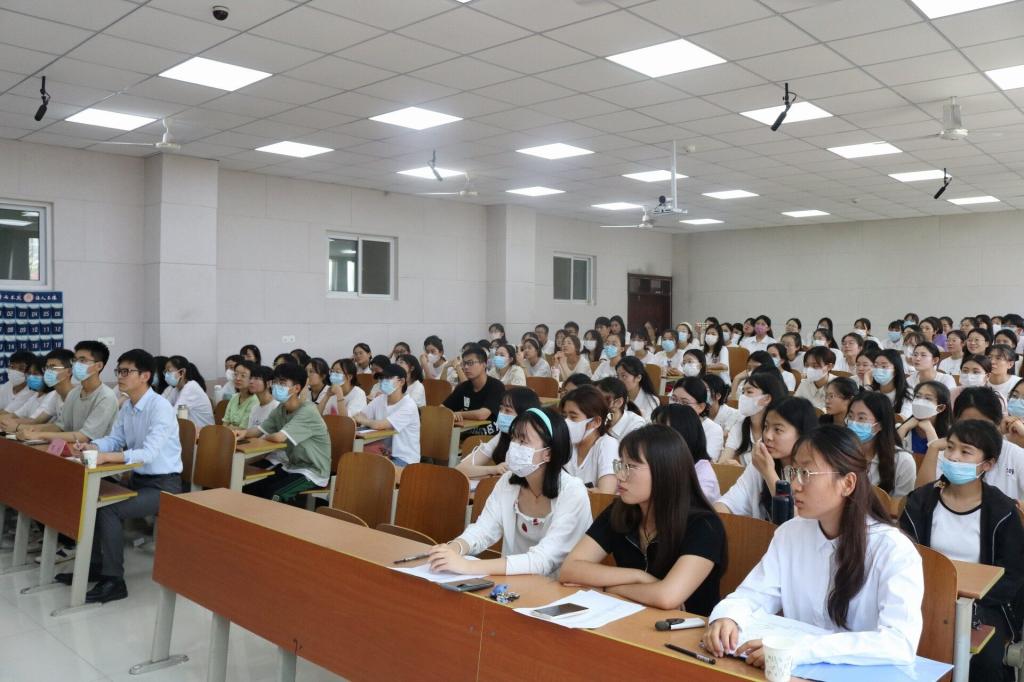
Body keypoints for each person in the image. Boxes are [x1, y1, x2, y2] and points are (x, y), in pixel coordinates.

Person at [704, 424, 924, 668]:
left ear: (847, 483)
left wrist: (805, 649)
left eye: (806, 474)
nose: (795, 485)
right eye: (794, 472)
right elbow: (752, 595)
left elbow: (899, 642)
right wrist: (727, 618)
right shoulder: (790, 534)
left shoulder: (893, 550)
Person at [901, 419, 1024, 682]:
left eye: (966, 451)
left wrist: (967, 602)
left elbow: (1012, 576)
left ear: (987, 464)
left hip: (985, 604)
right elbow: (902, 556)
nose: (953, 457)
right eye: (950, 448)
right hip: (923, 597)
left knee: (985, 660)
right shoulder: (921, 501)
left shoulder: (1002, 511)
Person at [560, 425, 726, 614]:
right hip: (628, 618)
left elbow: (667, 597)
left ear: (664, 470)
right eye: (620, 465)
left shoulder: (705, 526)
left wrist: (608, 588)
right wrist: (639, 576)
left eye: (630, 467)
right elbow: (570, 569)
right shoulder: (621, 511)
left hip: (686, 627)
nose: (620, 476)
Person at [61, 349, 183, 604]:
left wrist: (107, 457)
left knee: (109, 509)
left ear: (145, 376)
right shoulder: (128, 406)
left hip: (164, 486)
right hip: (137, 481)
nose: (120, 376)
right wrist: (93, 446)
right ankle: (96, 566)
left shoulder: (160, 407)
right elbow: (115, 439)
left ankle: (114, 580)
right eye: (119, 371)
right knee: (92, 498)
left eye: (127, 371)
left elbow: (148, 453)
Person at [430, 407, 591, 577]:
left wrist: (467, 566)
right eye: (513, 438)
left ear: (548, 453)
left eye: (523, 441)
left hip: (557, 586)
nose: (513, 446)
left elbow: (543, 560)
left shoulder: (573, 492)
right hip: (513, 583)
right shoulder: (508, 481)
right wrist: (455, 547)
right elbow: (484, 529)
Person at [231, 362, 331, 503]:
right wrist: (243, 433)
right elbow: (259, 430)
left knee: (275, 494)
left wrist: (265, 437)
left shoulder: (308, 411)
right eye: (276, 381)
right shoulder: (280, 409)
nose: (276, 386)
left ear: (296, 388)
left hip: (313, 472)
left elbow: (278, 438)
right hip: (292, 466)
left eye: (282, 383)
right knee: (251, 488)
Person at [713, 397, 818, 519]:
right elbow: (729, 502)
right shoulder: (760, 464)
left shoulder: (814, 473)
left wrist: (769, 474)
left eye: (778, 429)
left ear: (802, 434)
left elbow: (799, 522)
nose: (767, 436)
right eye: (766, 427)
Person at [916, 386, 1024, 501]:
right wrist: (933, 448)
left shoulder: (1016, 456)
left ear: (997, 424)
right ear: (955, 422)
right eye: (966, 424)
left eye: (982, 424)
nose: (973, 431)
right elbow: (920, 499)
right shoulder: (946, 453)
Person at [17, 341, 117, 444]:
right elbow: (60, 426)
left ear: (99, 366)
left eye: (82, 360)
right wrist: (32, 430)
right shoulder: (74, 393)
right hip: (74, 448)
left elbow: (84, 436)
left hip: (96, 451)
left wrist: (40, 435)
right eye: (75, 360)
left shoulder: (106, 396)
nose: (76, 364)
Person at [457, 387, 540, 483]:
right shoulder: (502, 435)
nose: (501, 414)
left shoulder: (535, 443)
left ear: (524, 415)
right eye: (500, 409)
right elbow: (460, 469)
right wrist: (494, 469)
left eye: (508, 411)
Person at [846, 391, 916, 497]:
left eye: (861, 418)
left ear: (879, 425)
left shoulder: (902, 461)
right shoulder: (841, 452)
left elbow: (900, 504)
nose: (853, 423)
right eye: (850, 416)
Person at [354, 364, 421, 468]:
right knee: (356, 461)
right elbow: (360, 415)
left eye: (388, 378)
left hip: (403, 458)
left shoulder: (409, 405)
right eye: (381, 378)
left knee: (367, 467)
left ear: (401, 382)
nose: (383, 381)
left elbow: (379, 425)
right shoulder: (381, 399)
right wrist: (362, 419)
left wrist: (364, 420)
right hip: (382, 451)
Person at [653, 403, 720, 501]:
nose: (651, 436)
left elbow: (683, 506)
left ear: (683, 434)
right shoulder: (663, 460)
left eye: (660, 431)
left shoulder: (703, 476)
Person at [720, 371, 788, 466]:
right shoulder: (740, 426)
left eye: (749, 392)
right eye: (743, 392)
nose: (743, 397)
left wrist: (742, 470)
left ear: (766, 398)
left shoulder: (780, 431)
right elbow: (722, 463)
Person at [560, 386, 618, 493]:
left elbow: (605, 494)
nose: (566, 422)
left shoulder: (608, 444)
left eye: (573, 417)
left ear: (596, 422)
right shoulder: (565, 444)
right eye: (564, 416)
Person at [442, 345, 505, 438]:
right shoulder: (463, 387)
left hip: (489, 437)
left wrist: (458, 414)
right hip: (466, 434)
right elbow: (442, 408)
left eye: (470, 363)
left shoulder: (496, 386)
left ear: (484, 364)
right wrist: (449, 413)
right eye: (464, 363)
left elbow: (482, 415)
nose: (466, 367)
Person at [3, 349, 73, 431]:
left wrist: (17, 427)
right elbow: (39, 420)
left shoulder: (73, 395)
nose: (48, 372)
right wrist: (9, 424)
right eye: (47, 368)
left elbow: (61, 428)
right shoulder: (55, 394)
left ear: (69, 371)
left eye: (53, 367)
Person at [670, 377, 724, 462]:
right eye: (674, 399)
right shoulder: (664, 422)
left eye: (685, 403)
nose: (677, 405)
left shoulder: (713, 429)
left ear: (701, 407)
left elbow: (705, 463)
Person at [897, 381, 952, 456]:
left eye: (928, 398)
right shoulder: (900, 427)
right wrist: (904, 428)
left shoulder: (951, 436)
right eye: (918, 396)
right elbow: (889, 455)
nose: (920, 402)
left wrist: (930, 431)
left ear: (940, 408)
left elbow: (940, 460)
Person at [162, 355, 214, 430]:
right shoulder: (175, 388)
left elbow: (174, 414)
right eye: (165, 372)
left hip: (206, 433)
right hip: (190, 432)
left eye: (169, 371)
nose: (166, 375)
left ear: (182, 372)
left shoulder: (191, 387)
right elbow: (161, 406)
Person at [870, 349, 912, 419]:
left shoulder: (907, 393)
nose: (878, 370)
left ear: (896, 370)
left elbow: (904, 417)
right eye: (876, 366)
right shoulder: (870, 391)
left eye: (884, 366)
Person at [794, 345, 837, 411]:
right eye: (807, 365)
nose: (809, 369)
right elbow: (794, 406)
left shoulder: (838, 386)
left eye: (815, 366)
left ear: (829, 366)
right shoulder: (804, 383)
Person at [616, 356, 659, 421]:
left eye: (624, 376)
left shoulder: (651, 401)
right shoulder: (616, 397)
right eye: (617, 376)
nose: (619, 380)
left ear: (638, 378)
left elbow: (647, 425)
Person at [221, 360, 258, 429]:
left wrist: (230, 427)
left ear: (252, 379)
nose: (237, 378)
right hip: (229, 434)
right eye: (235, 374)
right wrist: (229, 427)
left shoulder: (255, 400)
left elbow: (243, 428)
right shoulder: (234, 397)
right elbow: (225, 423)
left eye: (243, 376)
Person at [706, 375, 741, 441]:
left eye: (706, 390)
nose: (700, 393)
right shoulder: (697, 413)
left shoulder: (734, 415)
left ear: (718, 396)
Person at [0, 350, 35, 415]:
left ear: (30, 371)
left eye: (21, 368)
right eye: (12, 367)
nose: (15, 371)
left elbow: (6, 413)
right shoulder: (7, 385)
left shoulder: (31, 391)